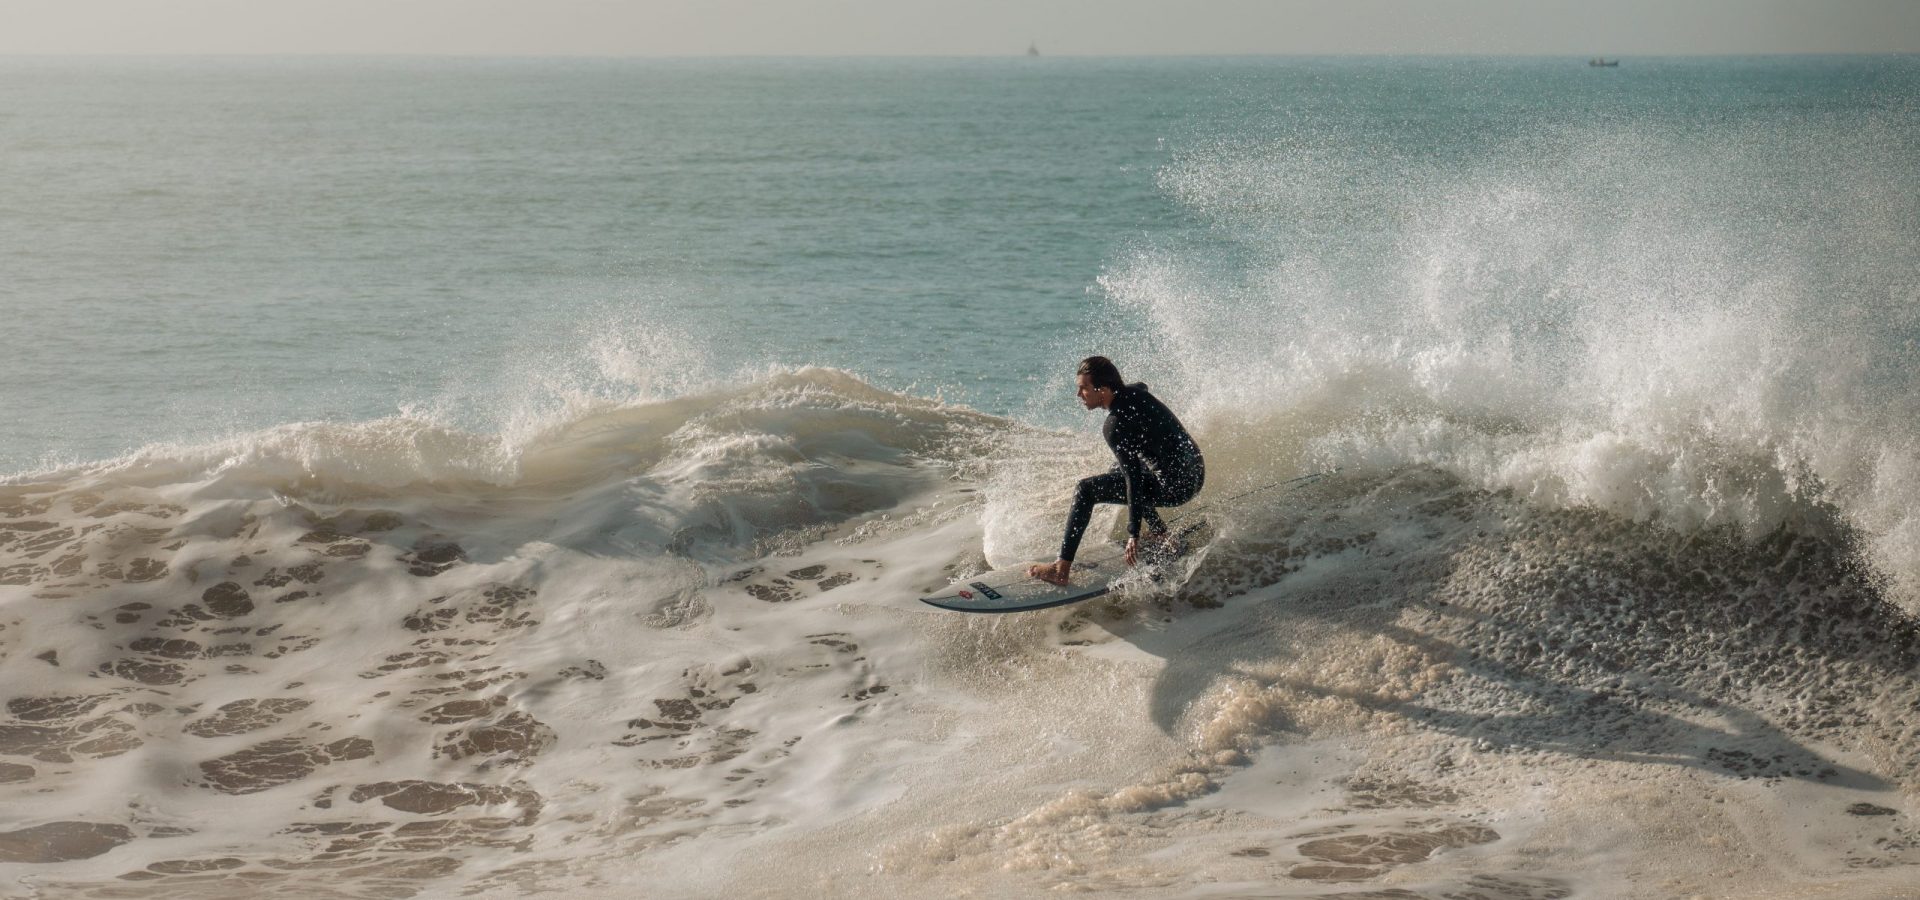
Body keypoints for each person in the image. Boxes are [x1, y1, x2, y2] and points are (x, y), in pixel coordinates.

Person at [1027, 356, 1205, 586]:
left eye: (1084, 388)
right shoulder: (1135, 392)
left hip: (1176, 488)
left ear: (1103, 389)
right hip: (1196, 472)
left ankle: (1061, 569)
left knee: (1085, 489)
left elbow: (1134, 480)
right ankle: (1161, 533)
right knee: (1118, 468)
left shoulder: (1114, 426)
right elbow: (1142, 385)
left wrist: (1134, 533)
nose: (1079, 394)